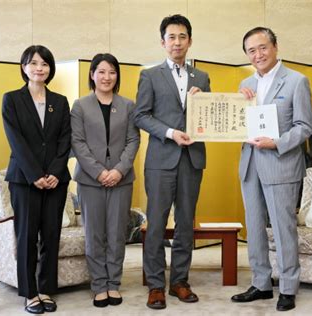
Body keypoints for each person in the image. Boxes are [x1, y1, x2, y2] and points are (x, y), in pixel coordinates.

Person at [231, 27, 312, 312]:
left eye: (262, 47)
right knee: (253, 229)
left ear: (276, 47)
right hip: (250, 165)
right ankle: (261, 283)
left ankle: (288, 287)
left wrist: (276, 143)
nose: (258, 54)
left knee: (283, 229)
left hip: (281, 164)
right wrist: (237, 107)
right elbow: (237, 125)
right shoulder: (245, 83)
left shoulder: (297, 81)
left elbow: (304, 127)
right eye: (251, 51)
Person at [134, 14, 210, 310]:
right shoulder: (150, 75)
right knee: (155, 225)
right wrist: (170, 133)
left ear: (189, 41)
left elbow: (209, 117)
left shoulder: (201, 78)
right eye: (171, 37)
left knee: (185, 225)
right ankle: (155, 285)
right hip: (161, 159)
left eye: (182, 36)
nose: (177, 42)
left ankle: (179, 281)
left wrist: (202, 100)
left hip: (192, 159)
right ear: (163, 42)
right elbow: (141, 115)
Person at [2, 45, 71, 314]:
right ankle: (30, 293)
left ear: (51, 68)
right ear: (23, 67)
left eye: (44, 64)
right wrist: (34, 176)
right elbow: (16, 141)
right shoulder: (11, 99)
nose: (39, 68)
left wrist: (54, 173)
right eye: (33, 63)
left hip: (56, 180)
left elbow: (65, 140)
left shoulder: (60, 101)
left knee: (51, 235)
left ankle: (45, 289)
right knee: (27, 236)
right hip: (24, 180)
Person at [70, 53, 140, 308]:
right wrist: (99, 172)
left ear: (117, 75)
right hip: (90, 180)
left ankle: (114, 284)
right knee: (94, 234)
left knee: (116, 234)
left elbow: (133, 140)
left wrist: (119, 170)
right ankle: (99, 285)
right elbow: (77, 142)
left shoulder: (128, 105)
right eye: (101, 71)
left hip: (121, 179)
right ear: (92, 74)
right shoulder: (80, 105)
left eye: (111, 72)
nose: (106, 77)